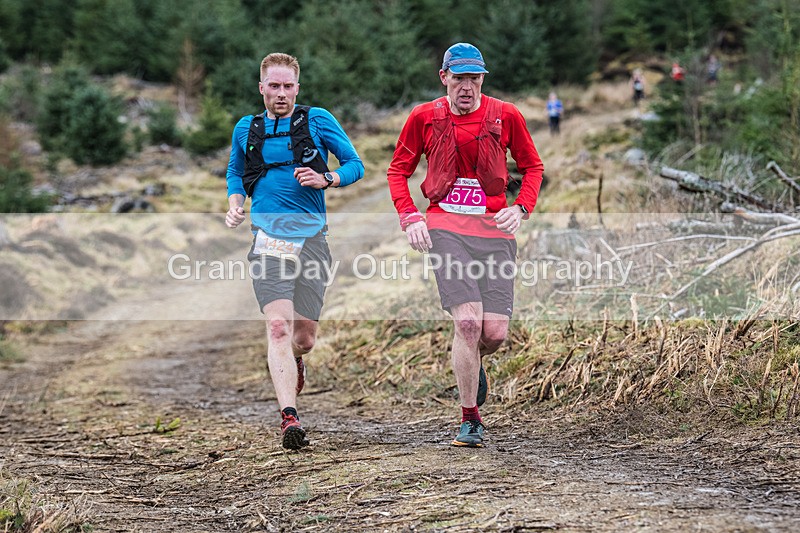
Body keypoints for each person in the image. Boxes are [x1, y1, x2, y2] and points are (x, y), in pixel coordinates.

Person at [386, 43, 544, 448]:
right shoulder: (423, 117)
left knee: (493, 334)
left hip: (494, 231)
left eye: (474, 78)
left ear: (482, 80)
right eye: (459, 78)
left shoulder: (505, 114)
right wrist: (410, 216)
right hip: (445, 228)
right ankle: (469, 419)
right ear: (445, 79)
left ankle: (470, 360)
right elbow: (397, 171)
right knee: (468, 322)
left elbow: (532, 166)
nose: (467, 87)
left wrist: (522, 208)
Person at [225, 53, 364, 450]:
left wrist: (327, 178)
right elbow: (236, 171)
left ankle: (297, 360)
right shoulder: (246, 127)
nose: (281, 93)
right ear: (261, 88)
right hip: (267, 239)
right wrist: (236, 202)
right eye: (274, 86)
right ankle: (289, 418)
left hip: (312, 239)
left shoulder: (316, 119)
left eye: (288, 86)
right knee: (278, 327)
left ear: (297, 89)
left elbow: (356, 164)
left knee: (303, 338)